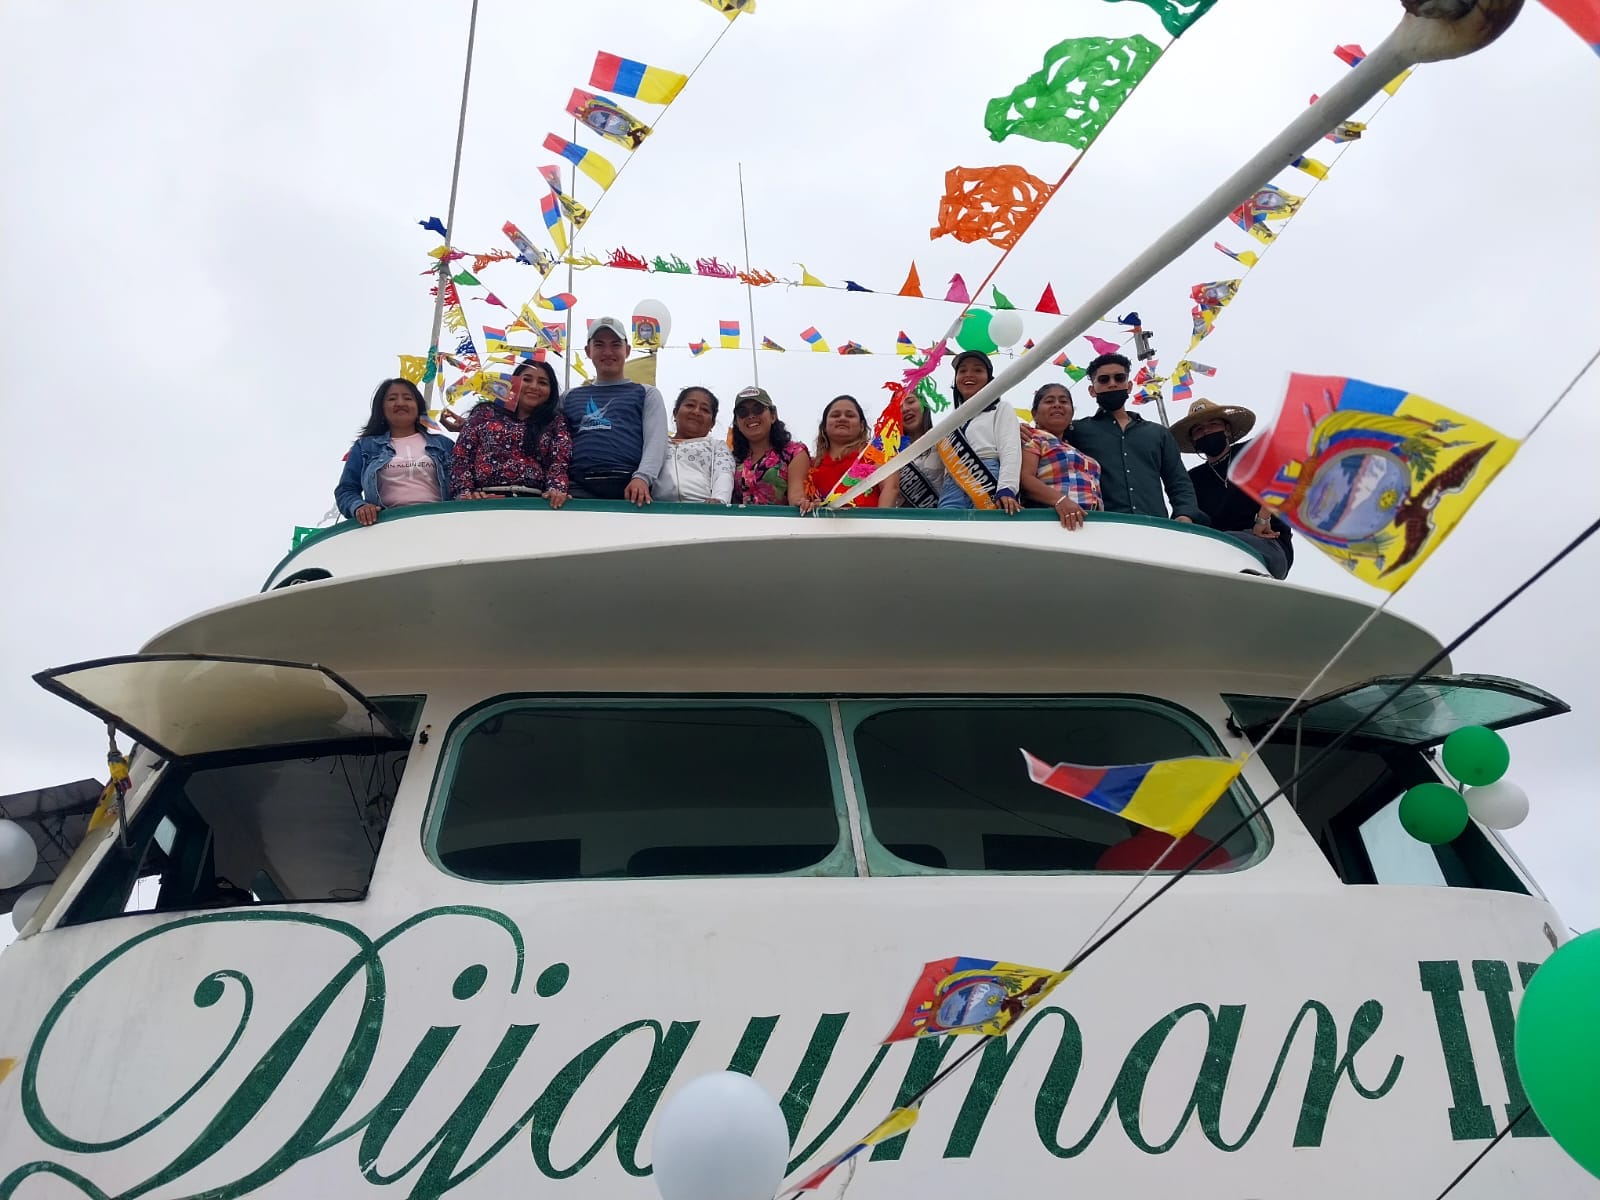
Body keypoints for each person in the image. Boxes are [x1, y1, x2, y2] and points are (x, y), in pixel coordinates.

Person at [1066, 352, 1203, 523]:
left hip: (1155, 529)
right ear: (1092, 390)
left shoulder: (1158, 433)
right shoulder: (1076, 431)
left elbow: (1178, 481)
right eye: (1104, 380)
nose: (1112, 384)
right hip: (1101, 527)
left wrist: (1185, 514)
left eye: (1119, 378)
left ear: (1129, 386)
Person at [1172, 397, 1294, 578]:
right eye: (1198, 429)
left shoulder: (1253, 450)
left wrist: (1263, 518)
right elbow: (1185, 516)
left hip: (1269, 545)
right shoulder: (1192, 479)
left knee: (1221, 543)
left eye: (1213, 424)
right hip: (1217, 553)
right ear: (1193, 439)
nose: (1206, 431)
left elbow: (1289, 472)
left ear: (1227, 429)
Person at [559, 316, 667, 505]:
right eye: (599, 345)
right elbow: (554, 444)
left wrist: (642, 477)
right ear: (588, 351)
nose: (608, 352)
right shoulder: (568, 397)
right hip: (575, 493)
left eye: (616, 345)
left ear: (627, 350)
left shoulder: (647, 393)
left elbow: (656, 441)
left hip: (631, 492)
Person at [335, 378, 455, 527]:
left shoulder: (443, 444)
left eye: (408, 398)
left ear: (418, 406)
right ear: (382, 408)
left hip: (440, 525)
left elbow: (464, 483)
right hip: (386, 528)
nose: (400, 403)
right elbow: (346, 490)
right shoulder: (365, 446)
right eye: (392, 399)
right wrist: (359, 507)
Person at [450, 360, 571, 506]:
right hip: (483, 502)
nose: (534, 386)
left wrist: (556, 490)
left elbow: (559, 462)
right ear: (512, 382)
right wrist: (465, 492)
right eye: (527, 379)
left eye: (542, 383)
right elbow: (462, 456)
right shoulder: (484, 413)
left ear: (551, 391)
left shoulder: (555, 422)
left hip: (535, 504)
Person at [936, 350, 1021, 513]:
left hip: (987, 476)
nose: (969, 374)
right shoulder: (949, 422)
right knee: (947, 528)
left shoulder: (1000, 408)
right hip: (951, 484)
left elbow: (1010, 449)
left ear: (989, 379)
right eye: (962, 371)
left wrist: (1007, 488)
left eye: (978, 370)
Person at [1019, 383, 1102, 531]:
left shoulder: (1076, 449)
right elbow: (1025, 478)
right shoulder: (1032, 437)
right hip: (1054, 521)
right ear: (1034, 413)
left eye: (1063, 401)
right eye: (1049, 401)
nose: (1057, 405)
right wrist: (1060, 501)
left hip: (1092, 525)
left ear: (1071, 414)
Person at [805, 394, 899, 511]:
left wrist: (880, 519)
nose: (842, 418)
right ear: (824, 426)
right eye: (835, 415)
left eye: (850, 415)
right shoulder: (811, 465)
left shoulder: (877, 453)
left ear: (862, 426)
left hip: (869, 521)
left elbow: (891, 488)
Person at [730, 386, 810, 506]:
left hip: (780, 519)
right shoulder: (730, 459)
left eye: (758, 409)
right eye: (743, 412)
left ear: (773, 415)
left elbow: (797, 497)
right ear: (736, 422)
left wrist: (802, 504)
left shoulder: (794, 453)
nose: (751, 416)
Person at [655, 386, 735, 504]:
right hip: (657, 509)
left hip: (704, 509)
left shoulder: (717, 446)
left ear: (712, 423)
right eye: (690, 405)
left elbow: (724, 473)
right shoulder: (657, 442)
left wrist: (719, 500)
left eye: (705, 410)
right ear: (675, 413)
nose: (696, 412)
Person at [891, 386, 945, 509]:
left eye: (910, 401)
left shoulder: (944, 441)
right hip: (905, 518)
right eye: (898, 407)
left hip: (943, 515)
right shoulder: (890, 454)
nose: (905, 409)